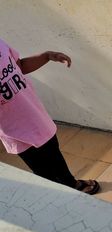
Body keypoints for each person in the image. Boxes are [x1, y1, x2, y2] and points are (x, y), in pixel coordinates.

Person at [0, 38, 100, 194]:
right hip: (13, 131)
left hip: (34, 115)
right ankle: (59, 195)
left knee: (53, 152)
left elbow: (20, 66)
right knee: (41, 169)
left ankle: (70, 183)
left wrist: (46, 56)